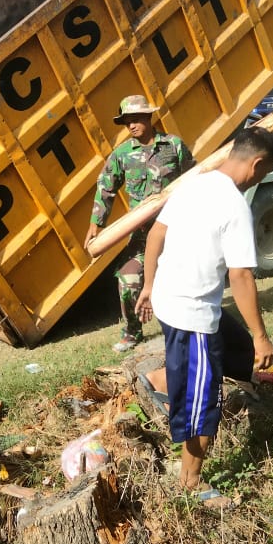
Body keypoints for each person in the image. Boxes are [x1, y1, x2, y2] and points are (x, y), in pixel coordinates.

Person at [134, 127, 273, 505]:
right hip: (192, 315)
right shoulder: (235, 206)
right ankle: (191, 481)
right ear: (257, 164)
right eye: (262, 176)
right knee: (204, 403)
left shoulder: (193, 184)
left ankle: (166, 377)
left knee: (237, 349)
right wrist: (262, 335)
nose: (257, 182)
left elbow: (155, 235)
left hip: (169, 299)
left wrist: (149, 285)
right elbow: (241, 275)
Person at [83, 95, 194, 353]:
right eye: (126, 122)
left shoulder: (173, 146)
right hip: (144, 238)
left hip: (177, 232)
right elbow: (106, 188)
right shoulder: (122, 155)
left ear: (149, 117)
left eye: (135, 119)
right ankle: (132, 332)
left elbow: (194, 178)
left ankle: (189, 328)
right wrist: (95, 223)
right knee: (127, 279)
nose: (131, 126)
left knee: (187, 282)